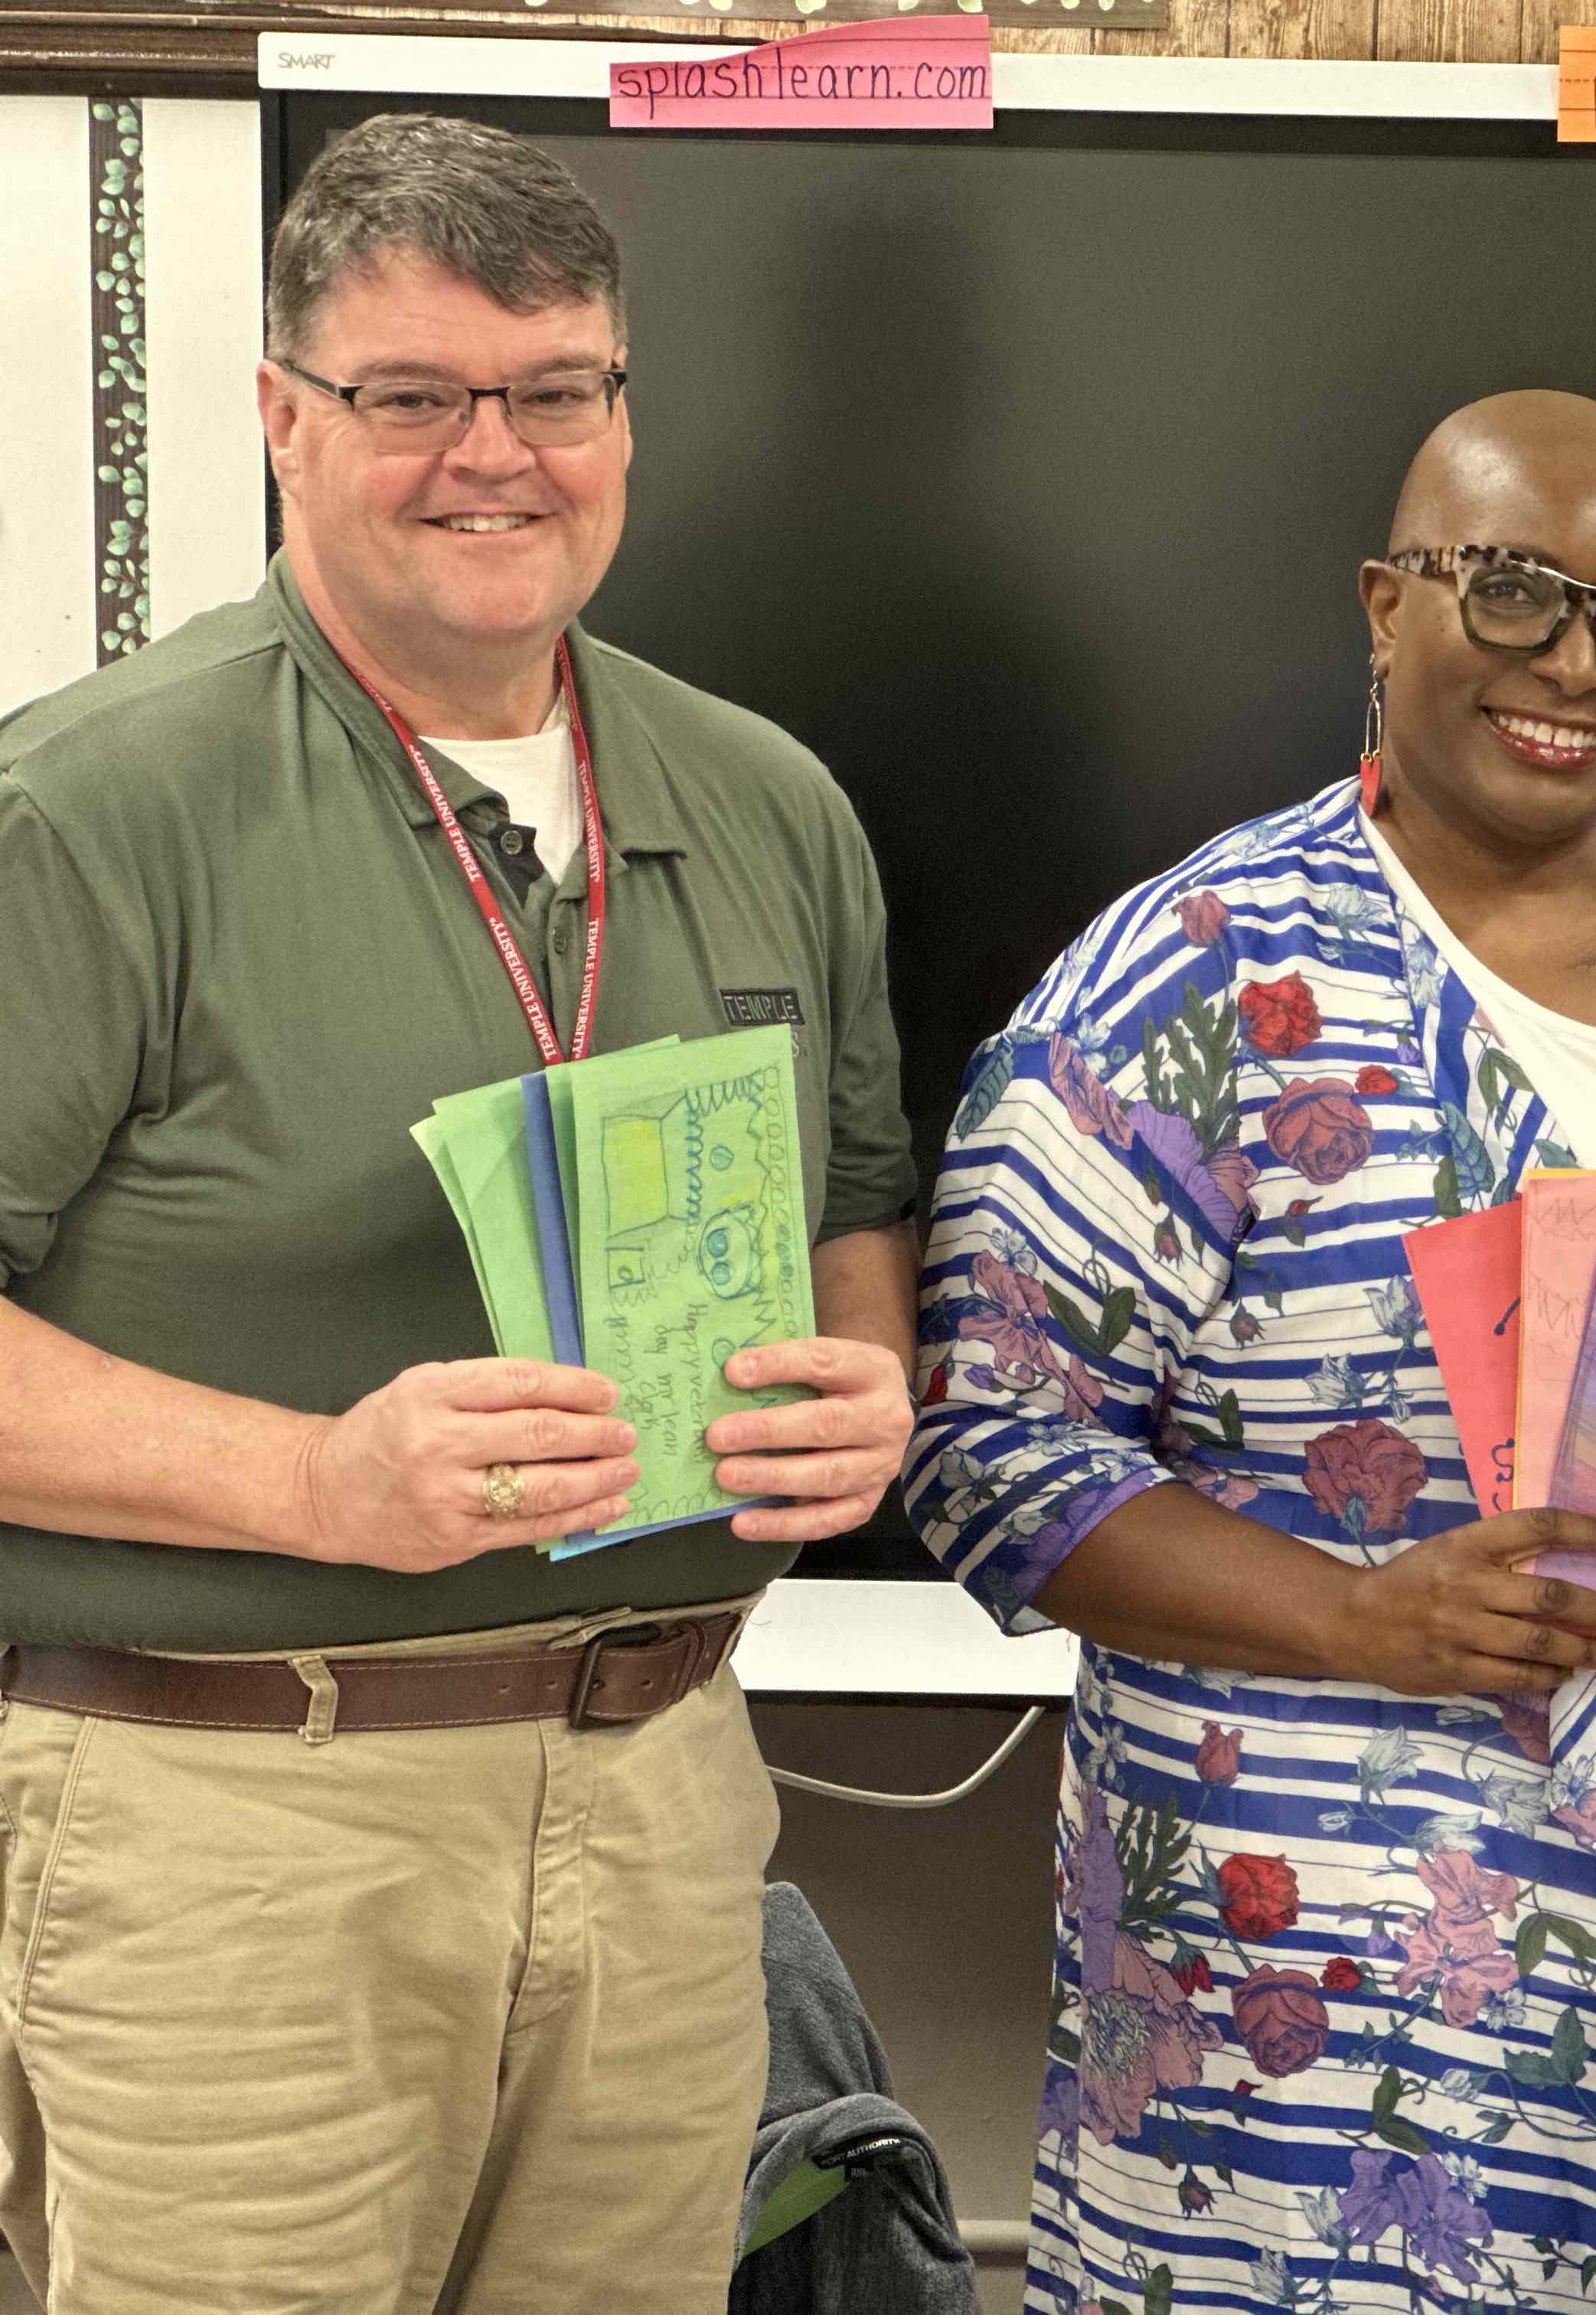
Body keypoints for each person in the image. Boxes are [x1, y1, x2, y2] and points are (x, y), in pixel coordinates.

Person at [908, 390, 1596, 2315]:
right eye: (1511, 594)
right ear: (1384, 603)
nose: (1576, 663)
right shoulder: (1200, 976)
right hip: (1343, 2033)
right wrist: (1361, 1620)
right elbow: (990, 1448)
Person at [0, 116, 920, 2310]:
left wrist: (869, 1381)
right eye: (411, 397)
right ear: (280, 419)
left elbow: (862, 1199)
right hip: (230, 1826)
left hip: (675, 1798)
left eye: (555, 390)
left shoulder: (768, 798)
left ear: (620, 410)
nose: (491, 456)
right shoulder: (88, 808)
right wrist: (321, 1478)